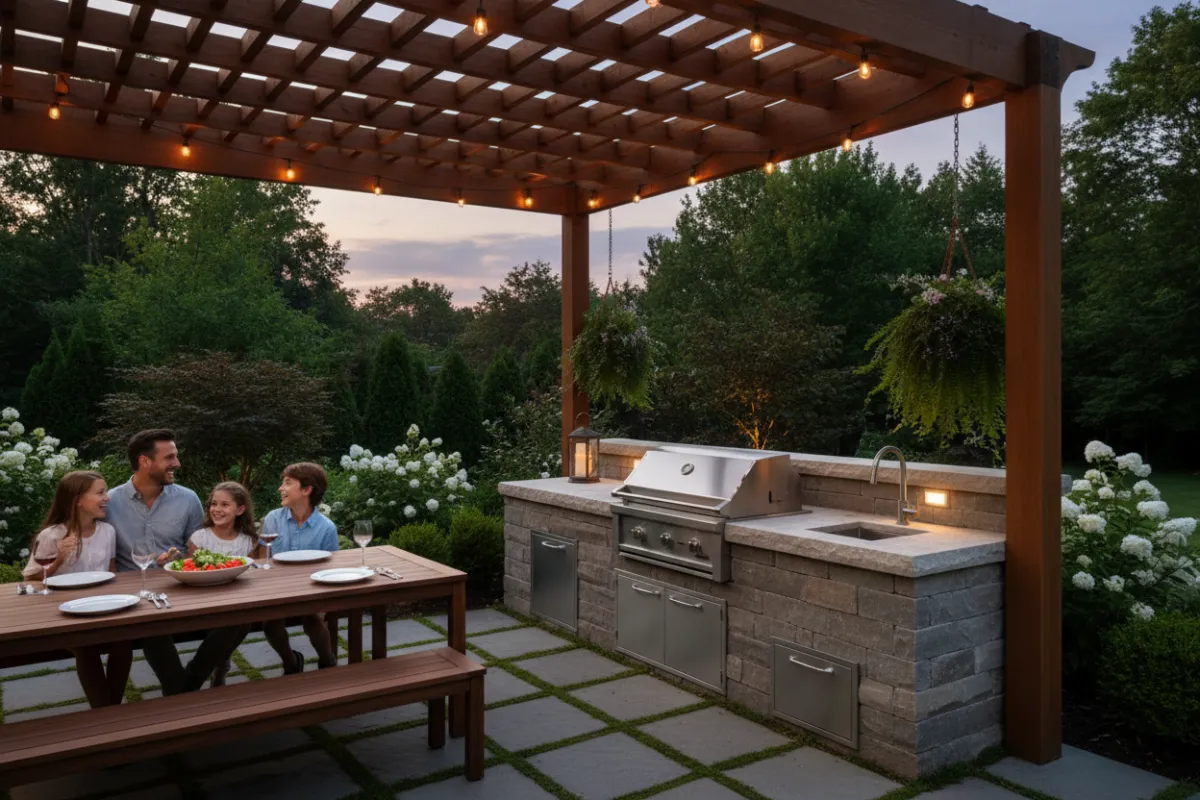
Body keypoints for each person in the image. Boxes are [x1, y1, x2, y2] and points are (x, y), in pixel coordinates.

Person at [105, 429, 248, 694]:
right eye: (169, 457)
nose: (177, 463)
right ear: (145, 461)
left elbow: (196, 551)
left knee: (241, 617)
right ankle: (181, 691)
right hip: (134, 593)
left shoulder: (187, 499)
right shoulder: (110, 502)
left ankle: (188, 683)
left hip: (181, 586)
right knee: (151, 626)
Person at [23, 470, 132, 707]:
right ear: (78, 500)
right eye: (100, 493)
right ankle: (105, 710)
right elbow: (31, 578)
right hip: (63, 612)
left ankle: (110, 708)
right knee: (87, 647)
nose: (107, 498)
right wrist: (59, 558)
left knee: (124, 642)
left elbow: (112, 573)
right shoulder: (52, 535)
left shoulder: (107, 532)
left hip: (102, 606)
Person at [261, 462, 339, 673]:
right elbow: (264, 560)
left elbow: (332, 570)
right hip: (278, 590)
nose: (280, 488)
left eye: (287, 483)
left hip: (314, 591)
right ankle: (291, 661)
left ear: (306, 490)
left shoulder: (326, 528)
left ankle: (327, 660)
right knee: (270, 622)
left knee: (312, 618)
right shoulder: (273, 519)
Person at [186, 481, 263, 686]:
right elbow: (193, 572)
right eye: (214, 504)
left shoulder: (248, 541)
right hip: (204, 600)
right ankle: (219, 666)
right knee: (229, 623)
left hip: (237, 599)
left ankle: (219, 667)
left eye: (224, 505)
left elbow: (251, 575)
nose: (217, 510)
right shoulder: (199, 538)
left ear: (240, 509)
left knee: (240, 617)